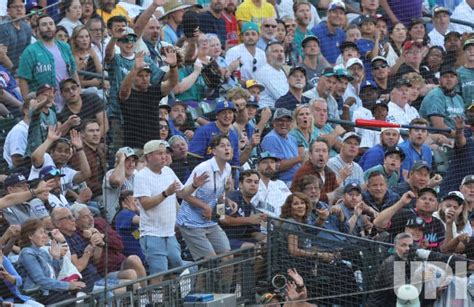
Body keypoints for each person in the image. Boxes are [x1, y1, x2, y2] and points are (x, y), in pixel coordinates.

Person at [134, 140, 208, 277]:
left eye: (166, 153)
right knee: (159, 272)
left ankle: (174, 296)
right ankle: (157, 298)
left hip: (169, 232)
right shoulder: (141, 176)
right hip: (152, 233)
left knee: (177, 264)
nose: (164, 156)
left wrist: (194, 185)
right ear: (148, 156)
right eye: (160, 153)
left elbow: (182, 193)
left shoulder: (168, 171)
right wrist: (166, 193)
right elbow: (146, 204)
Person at [177, 135, 233, 261]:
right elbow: (183, 195)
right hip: (190, 222)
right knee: (209, 263)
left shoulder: (227, 168)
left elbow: (220, 195)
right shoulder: (203, 169)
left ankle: (226, 282)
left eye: (228, 145)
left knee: (228, 257)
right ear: (213, 151)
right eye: (222, 146)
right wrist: (205, 206)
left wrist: (221, 214)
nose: (227, 149)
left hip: (210, 221)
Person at [17, 14, 80, 112]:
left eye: (51, 24)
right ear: (38, 30)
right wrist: (28, 103)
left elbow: (73, 71)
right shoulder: (30, 51)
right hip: (43, 106)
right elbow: (23, 79)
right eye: (44, 24)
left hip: (67, 104)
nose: (48, 27)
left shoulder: (65, 47)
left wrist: (78, 90)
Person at [118, 49, 178, 149]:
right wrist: (134, 69)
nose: (144, 78)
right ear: (133, 76)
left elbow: (172, 83)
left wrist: (173, 66)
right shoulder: (129, 93)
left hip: (154, 146)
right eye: (140, 76)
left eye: (147, 75)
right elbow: (123, 91)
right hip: (134, 147)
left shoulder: (153, 91)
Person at [18, 219, 86, 304]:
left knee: (84, 287)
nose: (45, 236)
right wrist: (68, 285)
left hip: (49, 292)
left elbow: (53, 276)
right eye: (41, 232)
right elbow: (41, 280)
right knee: (72, 300)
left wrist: (56, 257)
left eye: (45, 233)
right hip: (37, 295)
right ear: (30, 236)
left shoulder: (42, 252)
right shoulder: (27, 254)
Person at [374, 188, 446, 249]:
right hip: (397, 259)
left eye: (431, 200)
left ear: (437, 206)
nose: (427, 202)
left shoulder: (438, 224)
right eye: (423, 198)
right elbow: (378, 223)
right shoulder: (404, 214)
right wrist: (401, 202)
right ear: (416, 202)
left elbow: (443, 249)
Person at [221, 170, 266, 249]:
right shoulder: (232, 197)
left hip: (239, 239)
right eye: (249, 181)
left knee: (264, 247)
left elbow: (253, 232)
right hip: (223, 239)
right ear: (240, 184)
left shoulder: (251, 207)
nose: (253, 184)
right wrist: (248, 219)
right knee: (251, 247)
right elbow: (223, 219)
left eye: (256, 182)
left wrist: (265, 238)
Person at [261, 108, 303, 185]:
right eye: (281, 120)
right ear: (274, 122)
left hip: (297, 180)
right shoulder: (271, 138)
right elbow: (275, 167)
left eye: (287, 121)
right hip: (282, 183)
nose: (284, 124)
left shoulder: (292, 138)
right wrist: (300, 158)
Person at [419, 65, 465, 133]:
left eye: (452, 76)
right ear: (439, 80)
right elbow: (439, 126)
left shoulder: (459, 99)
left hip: (457, 136)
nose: (449, 79)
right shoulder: (435, 95)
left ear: (456, 81)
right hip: (439, 138)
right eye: (445, 76)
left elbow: (462, 124)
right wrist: (459, 136)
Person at [292, 139, 339, 204]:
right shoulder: (303, 172)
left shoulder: (331, 173)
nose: (321, 154)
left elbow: (336, 196)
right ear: (310, 155)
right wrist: (328, 196)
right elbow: (298, 197)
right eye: (317, 151)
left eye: (324, 151)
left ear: (328, 156)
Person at [103, 147, 138, 223]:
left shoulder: (135, 176)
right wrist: (121, 160)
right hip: (115, 219)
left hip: (133, 213)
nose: (131, 164)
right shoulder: (110, 174)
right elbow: (117, 181)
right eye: (127, 160)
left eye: (133, 161)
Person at [252, 152, 291, 218]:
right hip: (260, 224)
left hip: (283, 223)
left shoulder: (280, 184)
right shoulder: (252, 184)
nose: (269, 165)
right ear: (257, 166)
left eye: (272, 162)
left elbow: (291, 202)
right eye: (265, 162)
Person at [0, 0, 32, 72]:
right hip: (4, 71)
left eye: (21, 6)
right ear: (8, 10)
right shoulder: (3, 27)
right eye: (15, 7)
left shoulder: (27, 27)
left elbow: (27, 52)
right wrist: (16, 72)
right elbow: (1, 55)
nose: (19, 9)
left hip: (21, 69)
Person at [255, 41, 288, 108]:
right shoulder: (266, 72)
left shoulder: (280, 71)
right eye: (275, 51)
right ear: (267, 57)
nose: (280, 54)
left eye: (281, 51)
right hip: (266, 111)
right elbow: (281, 96)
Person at [113, 190, 144, 263]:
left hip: (143, 253)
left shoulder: (134, 213)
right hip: (135, 257)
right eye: (135, 200)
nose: (138, 203)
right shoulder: (123, 214)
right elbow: (145, 220)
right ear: (124, 203)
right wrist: (138, 210)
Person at [457, 39, 474, 108]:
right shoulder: (458, 73)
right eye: (468, 49)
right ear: (464, 53)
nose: (471, 51)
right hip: (467, 112)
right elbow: (456, 95)